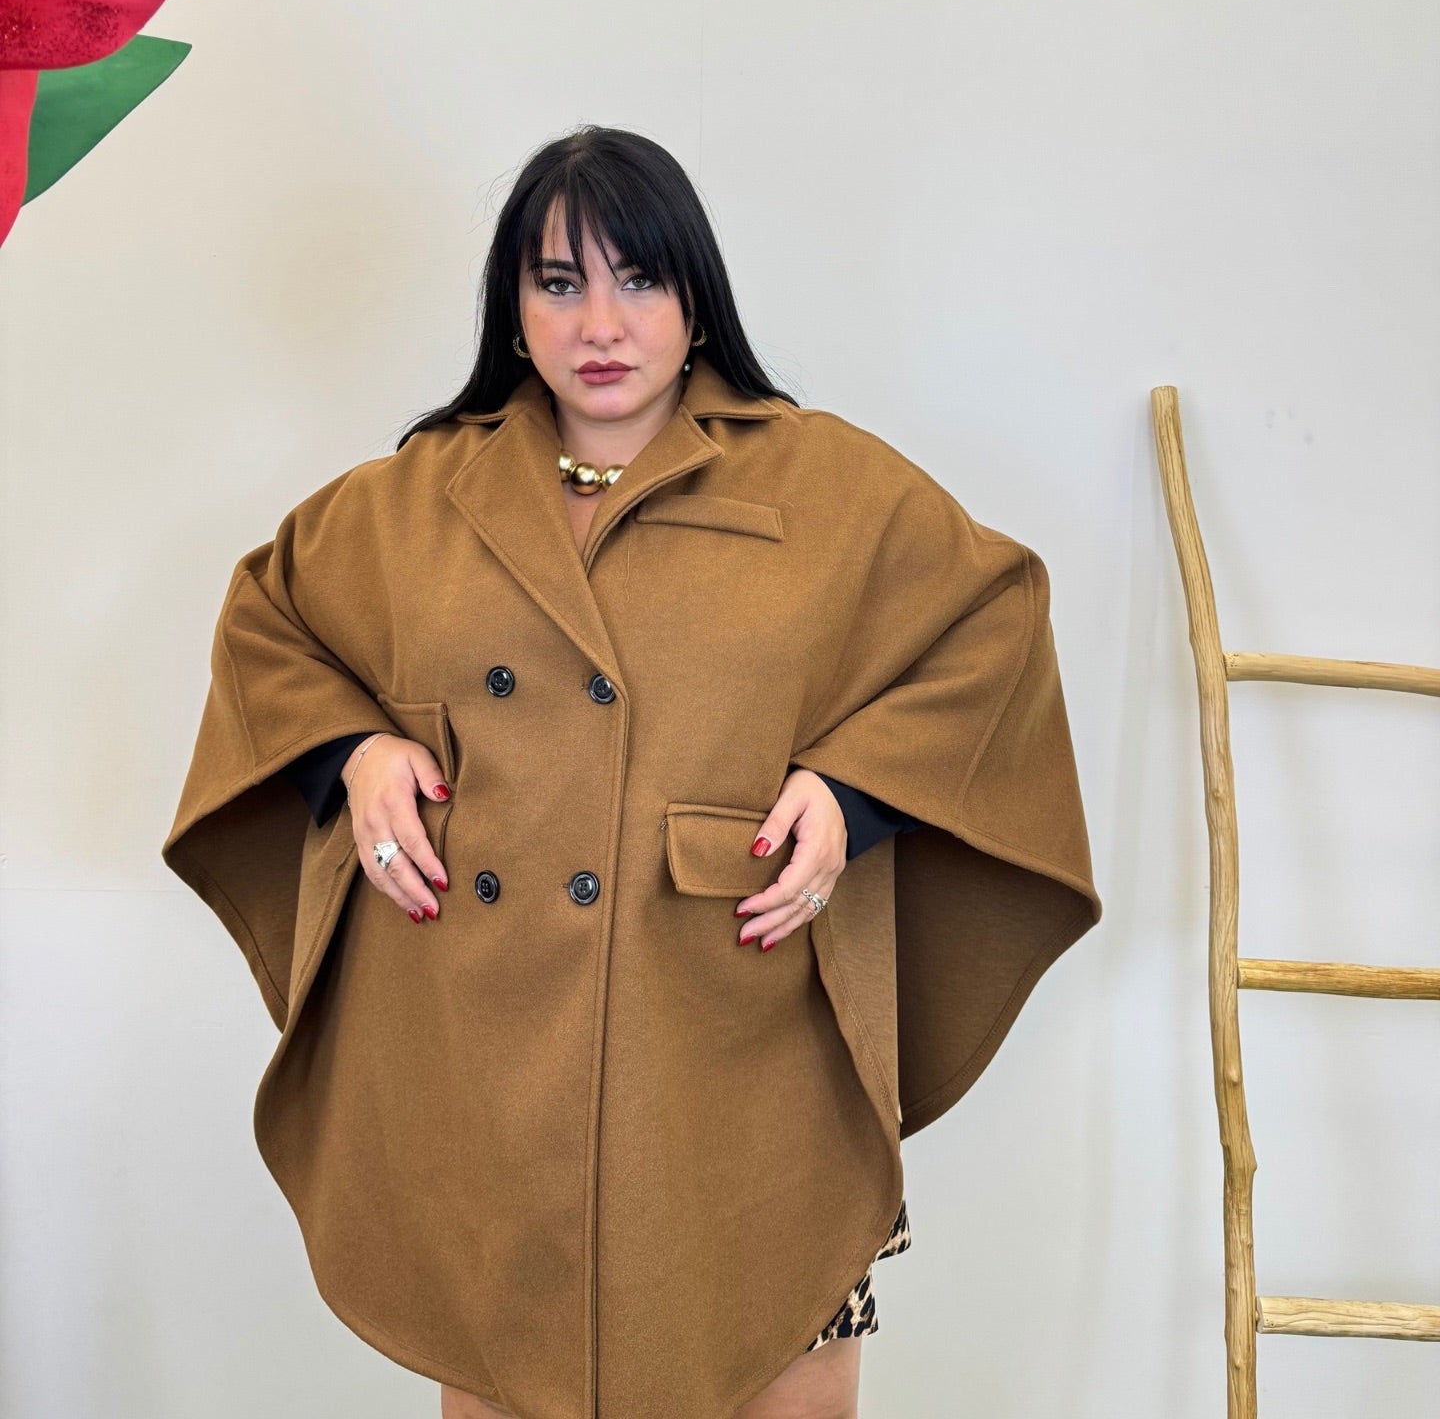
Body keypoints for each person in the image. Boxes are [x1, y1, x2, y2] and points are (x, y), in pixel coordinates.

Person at [163, 124, 1102, 1419]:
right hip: (489, 1060)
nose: (600, 324)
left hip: (743, 1047)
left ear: (696, 296)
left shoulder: (826, 483)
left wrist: (854, 792)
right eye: (559, 283)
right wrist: (355, 752)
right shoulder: (417, 496)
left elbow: (993, 620)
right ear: (514, 307)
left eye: (640, 279)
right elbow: (269, 619)